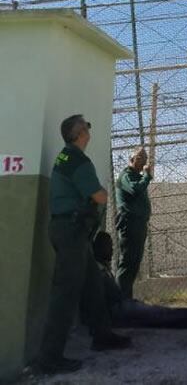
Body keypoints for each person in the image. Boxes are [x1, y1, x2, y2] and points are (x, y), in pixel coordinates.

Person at [36, 114, 131, 376]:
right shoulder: (78, 160)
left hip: (66, 229)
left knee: (92, 285)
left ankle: (102, 335)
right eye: (87, 126)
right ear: (80, 133)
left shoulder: (64, 156)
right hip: (72, 231)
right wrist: (102, 194)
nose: (89, 130)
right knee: (65, 294)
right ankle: (49, 357)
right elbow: (99, 195)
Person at [92, 231, 187, 329]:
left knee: (159, 314)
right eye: (107, 247)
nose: (112, 250)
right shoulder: (97, 270)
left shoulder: (104, 268)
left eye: (111, 246)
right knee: (159, 315)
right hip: (116, 312)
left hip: (120, 308)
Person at [115, 146, 152, 300]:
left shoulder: (137, 176)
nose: (144, 161)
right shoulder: (126, 176)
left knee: (134, 264)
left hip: (139, 224)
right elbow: (134, 190)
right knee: (127, 264)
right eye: (140, 157)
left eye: (145, 158)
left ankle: (126, 300)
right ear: (132, 159)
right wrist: (147, 176)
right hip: (129, 225)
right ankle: (118, 301)